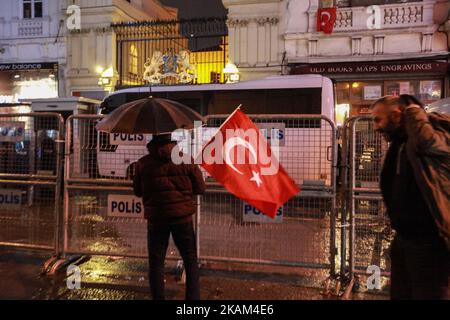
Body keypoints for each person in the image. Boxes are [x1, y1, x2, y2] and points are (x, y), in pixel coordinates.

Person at [371, 94, 450, 300]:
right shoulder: (400, 143)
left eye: (379, 119)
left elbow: (427, 144)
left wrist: (414, 111)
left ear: (398, 115)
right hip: (406, 239)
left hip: (430, 242)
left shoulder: (435, 132)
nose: (375, 127)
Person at [133, 133, 205, 300]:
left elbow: (137, 191)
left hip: (156, 219)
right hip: (183, 218)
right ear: (172, 142)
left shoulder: (143, 164)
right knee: (190, 260)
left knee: (156, 262)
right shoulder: (186, 159)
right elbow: (200, 188)